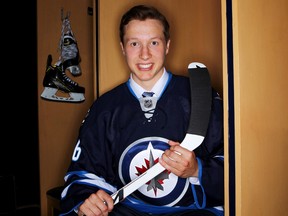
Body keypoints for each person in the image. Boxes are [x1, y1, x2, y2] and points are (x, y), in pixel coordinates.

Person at [60, 4, 224, 216]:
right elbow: (83, 174)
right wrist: (87, 200)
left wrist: (197, 170)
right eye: (135, 43)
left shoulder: (201, 97)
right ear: (123, 47)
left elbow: (235, 165)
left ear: (167, 46)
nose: (144, 54)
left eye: (154, 42)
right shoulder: (105, 108)